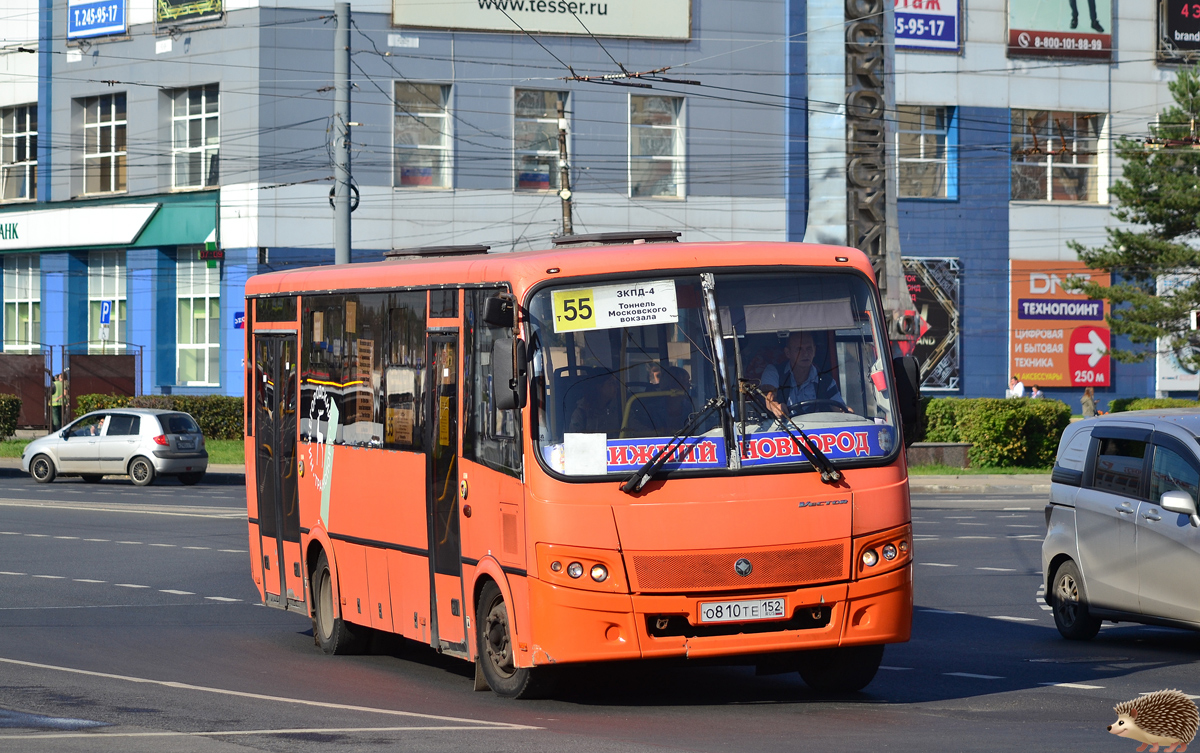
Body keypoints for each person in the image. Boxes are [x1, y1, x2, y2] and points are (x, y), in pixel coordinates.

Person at [760, 331, 843, 418]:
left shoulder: (827, 381)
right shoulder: (774, 372)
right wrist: (775, 406)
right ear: (788, 353)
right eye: (799, 349)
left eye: (809, 348)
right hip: (784, 429)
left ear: (814, 351)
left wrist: (847, 413)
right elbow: (769, 396)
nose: (805, 354)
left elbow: (839, 408)